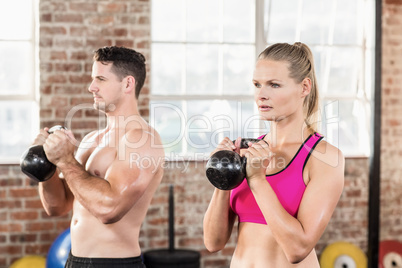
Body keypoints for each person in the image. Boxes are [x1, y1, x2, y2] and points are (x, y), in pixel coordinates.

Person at [203, 42, 345, 267]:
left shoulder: (324, 157)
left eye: (274, 85)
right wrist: (223, 176)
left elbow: (297, 249)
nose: (261, 94)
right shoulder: (248, 152)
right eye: (257, 84)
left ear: (304, 87)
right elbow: (213, 242)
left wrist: (257, 179)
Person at [33, 46, 164, 267]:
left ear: (127, 84)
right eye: (93, 79)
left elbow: (109, 210)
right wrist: (46, 163)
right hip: (74, 260)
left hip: (114, 263)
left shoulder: (143, 139)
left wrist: (65, 160)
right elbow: (57, 206)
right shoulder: (91, 139)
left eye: (101, 79)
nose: (91, 87)